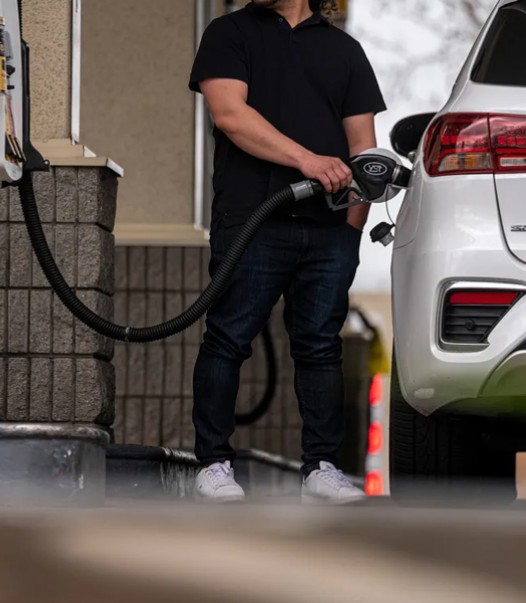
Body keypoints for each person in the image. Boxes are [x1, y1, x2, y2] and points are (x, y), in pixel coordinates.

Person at [189, 0, 386, 503]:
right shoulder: (228, 33)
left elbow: (363, 149)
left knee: (320, 347)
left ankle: (321, 468)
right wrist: (308, 161)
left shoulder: (344, 50)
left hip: (328, 229)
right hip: (253, 220)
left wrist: (351, 230)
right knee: (228, 339)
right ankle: (213, 464)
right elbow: (230, 114)